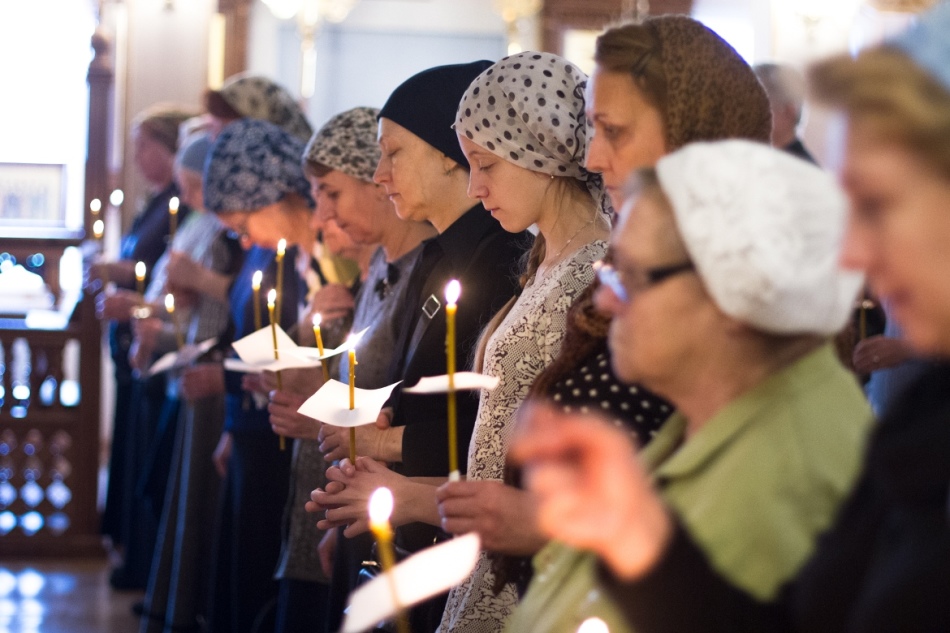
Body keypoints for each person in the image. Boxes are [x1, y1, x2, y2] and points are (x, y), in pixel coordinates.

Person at [514, 5, 950, 631]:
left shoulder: (802, 454)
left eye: (880, 203)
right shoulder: (924, 419)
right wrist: (639, 538)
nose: (853, 254)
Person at [510, 139, 873, 633]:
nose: (607, 305)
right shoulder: (709, 410)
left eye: (632, 277)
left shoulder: (786, 471)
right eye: (610, 273)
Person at [496, 15, 777, 620]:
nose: (593, 157)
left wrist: (546, 527)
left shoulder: (729, 301)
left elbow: (716, 540)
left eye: (613, 131)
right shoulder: (648, 258)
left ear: (690, 140)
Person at [308, 61, 532, 632]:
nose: (381, 174)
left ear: (448, 152)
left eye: (394, 153)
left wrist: (383, 441)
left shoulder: (502, 260)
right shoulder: (439, 259)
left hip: (459, 540)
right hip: (413, 524)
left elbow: (492, 426)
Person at [263, 106, 436, 633]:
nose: (320, 217)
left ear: (374, 180)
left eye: (331, 194)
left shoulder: (422, 270)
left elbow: (395, 410)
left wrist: (317, 408)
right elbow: (355, 384)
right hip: (341, 497)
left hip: (386, 505)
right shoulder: (383, 264)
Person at [199, 118, 311, 633]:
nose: (245, 242)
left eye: (244, 226)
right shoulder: (275, 250)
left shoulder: (311, 256)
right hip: (258, 425)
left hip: (292, 440)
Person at [138, 131, 243, 633]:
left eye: (197, 187)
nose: (193, 200)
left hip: (223, 376)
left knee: (202, 505)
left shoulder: (232, 234)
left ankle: (187, 611)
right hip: (199, 364)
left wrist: (193, 284)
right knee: (179, 495)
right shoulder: (207, 228)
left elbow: (235, 306)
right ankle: (172, 606)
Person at [95, 103, 197, 590]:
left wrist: (130, 294)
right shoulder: (157, 201)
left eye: (145, 147)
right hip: (142, 342)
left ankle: (144, 566)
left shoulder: (184, 205)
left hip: (168, 351)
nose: (137, 158)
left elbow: (162, 280)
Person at [753, 63, 817, 164]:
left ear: (789, 111)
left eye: (758, 105)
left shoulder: (803, 169)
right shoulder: (755, 158)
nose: (751, 114)